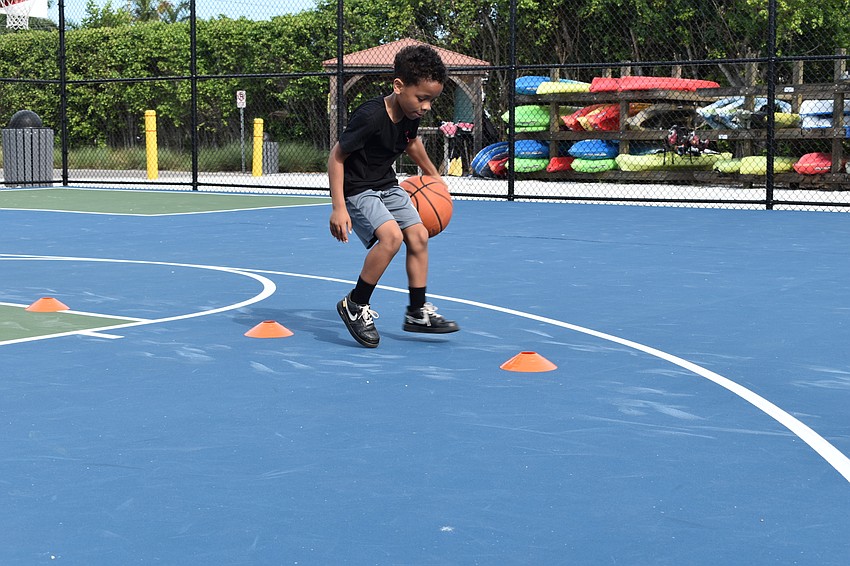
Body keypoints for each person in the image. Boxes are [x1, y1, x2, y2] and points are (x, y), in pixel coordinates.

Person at [327, 44, 460, 348]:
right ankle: (355, 304)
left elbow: (411, 142)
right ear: (398, 86)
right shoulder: (371, 116)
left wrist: (434, 176)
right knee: (391, 238)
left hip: (387, 184)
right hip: (358, 188)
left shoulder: (411, 112)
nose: (426, 107)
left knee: (419, 235)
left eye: (431, 100)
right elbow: (336, 156)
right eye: (422, 98)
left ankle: (417, 312)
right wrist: (338, 207)